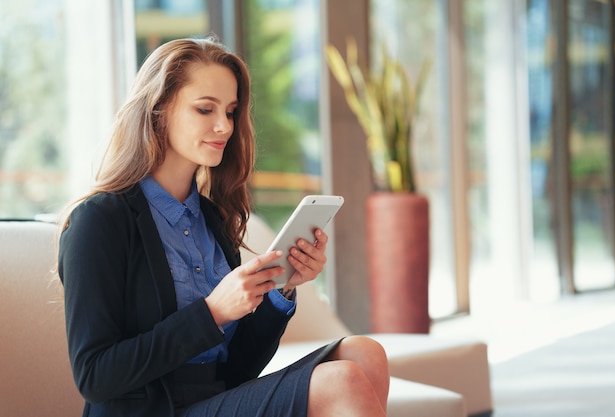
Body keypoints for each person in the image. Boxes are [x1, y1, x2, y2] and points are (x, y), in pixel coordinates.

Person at [57, 37, 389, 417]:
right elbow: (94, 376)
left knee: (366, 354)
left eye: (230, 112)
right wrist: (213, 311)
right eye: (204, 109)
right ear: (158, 110)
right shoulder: (99, 221)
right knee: (340, 382)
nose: (224, 127)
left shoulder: (212, 219)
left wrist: (282, 288)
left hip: (213, 400)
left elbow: (239, 370)